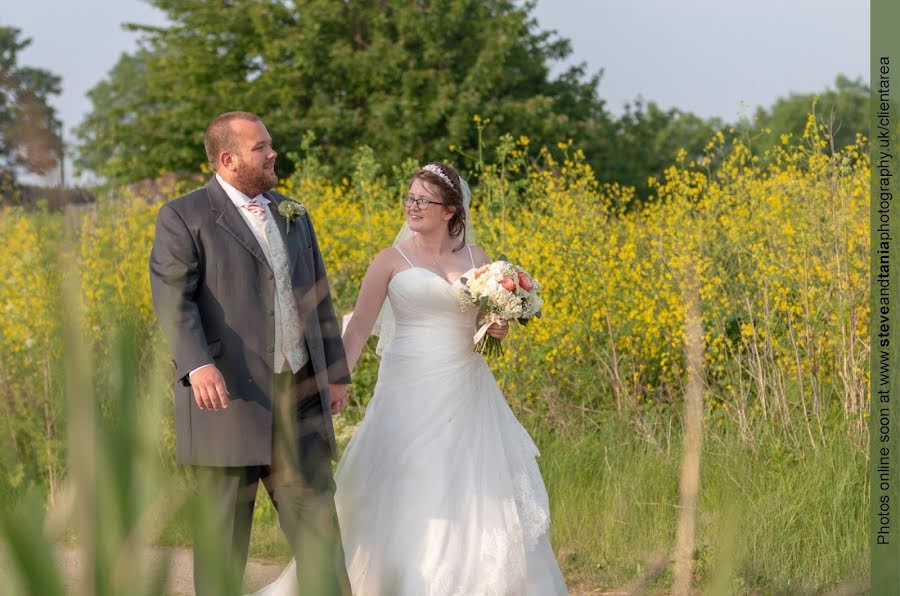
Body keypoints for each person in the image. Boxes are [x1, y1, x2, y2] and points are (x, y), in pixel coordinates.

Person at [257, 162, 568, 595]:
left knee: (474, 483)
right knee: (409, 480)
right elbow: (360, 327)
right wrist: (335, 381)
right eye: (410, 197)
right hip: (407, 388)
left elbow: (481, 329)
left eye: (424, 200)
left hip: (466, 387)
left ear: (451, 212)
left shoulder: (479, 262)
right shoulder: (390, 260)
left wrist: (498, 326)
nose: (412, 206)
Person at [149, 111, 352, 595]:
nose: (272, 152)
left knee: (319, 528)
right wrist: (197, 364)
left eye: (269, 144)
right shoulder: (184, 216)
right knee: (223, 540)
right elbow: (173, 297)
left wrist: (336, 373)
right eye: (260, 147)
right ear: (228, 158)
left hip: (298, 396)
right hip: (227, 398)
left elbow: (317, 296)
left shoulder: (293, 213)